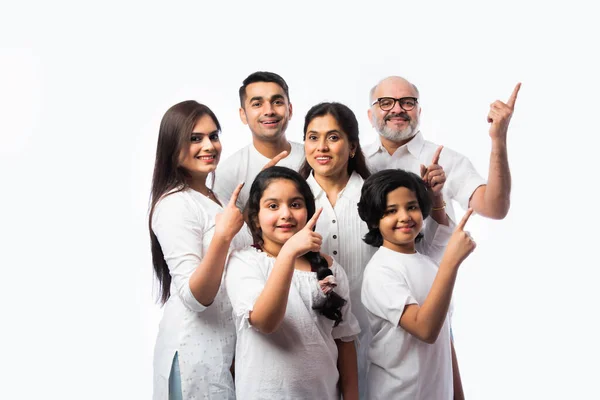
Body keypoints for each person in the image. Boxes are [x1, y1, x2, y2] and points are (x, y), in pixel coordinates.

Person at [298, 101, 453, 398]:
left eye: (333, 137)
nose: (322, 147)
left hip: (381, 347)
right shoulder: (293, 204)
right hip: (312, 347)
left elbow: (427, 254)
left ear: (353, 146)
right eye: (312, 137)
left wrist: (436, 200)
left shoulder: (379, 202)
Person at [225, 166, 361, 400]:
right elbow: (265, 322)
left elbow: (345, 341)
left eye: (295, 204)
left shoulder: (331, 269)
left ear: (308, 213)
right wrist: (288, 253)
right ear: (256, 219)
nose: (286, 214)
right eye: (273, 206)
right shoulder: (245, 262)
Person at [148, 100, 251, 399]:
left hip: (226, 348)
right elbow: (195, 297)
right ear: (172, 146)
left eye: (213, 136)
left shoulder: (215, 196)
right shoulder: (174, 205)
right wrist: (222, 236)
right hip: (195, 351)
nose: (209, 145)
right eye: (195, 138)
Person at [358, 169, 476, 399]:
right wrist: (451, 262)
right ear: (374, 220)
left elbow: (444, 335)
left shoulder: (430, 265)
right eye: (391, 211)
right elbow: (425, 329)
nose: (404, 217)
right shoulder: (381, 271)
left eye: (411, 207)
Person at [365, 76, 520, 221]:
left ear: (418, 112)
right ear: (370, 116)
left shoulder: (447, 160)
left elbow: (494, 209)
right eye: (385, 103)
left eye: (408, 102)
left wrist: (499, 138)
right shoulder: (354, 161)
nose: (398, 109)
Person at [213, 71, 305, 209]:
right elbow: (228, 228)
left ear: (289, 110)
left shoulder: (312, 157)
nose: (269, 111)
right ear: (243, 115)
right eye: (257, 104)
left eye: (277, 102)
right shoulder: (228, 174)